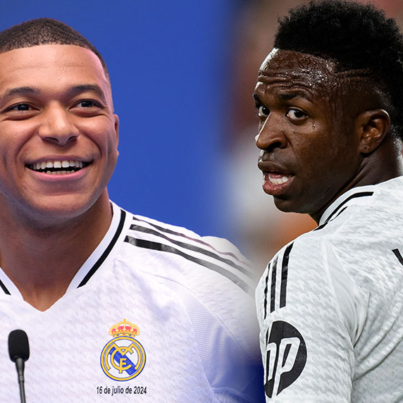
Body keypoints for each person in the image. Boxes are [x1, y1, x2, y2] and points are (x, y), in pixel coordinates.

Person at [0, 18, 263, 402]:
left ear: (115, 134)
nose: (60, 128)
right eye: (24, 107)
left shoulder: (217, 291)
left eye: (85, 105)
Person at [254, 0, 403, 401]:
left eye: (297, 113)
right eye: (263, 110)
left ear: (370, 131)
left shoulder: (314, 262)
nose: (265, 136)